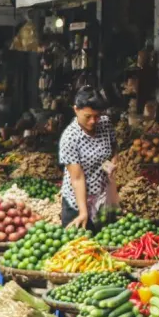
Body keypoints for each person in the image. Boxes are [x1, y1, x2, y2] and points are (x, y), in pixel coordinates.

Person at [58, 86, 117, 229]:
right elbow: (77, 179)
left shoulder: (105, 124)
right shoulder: (70, 138)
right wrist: (83, 212)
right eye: (88, 116)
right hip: (77, 204)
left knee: (104, 245)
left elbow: (114, 147)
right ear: (76, 110)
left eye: (96, 116)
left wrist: (113, 163)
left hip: (102, 200)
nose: (93, 121)